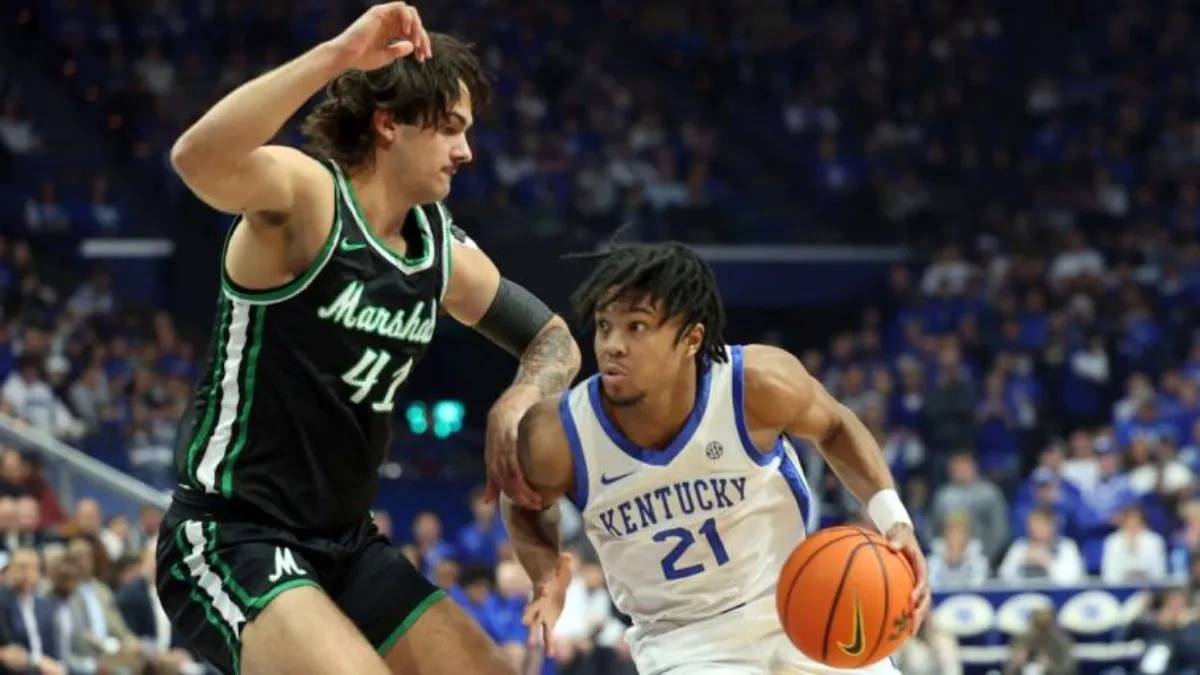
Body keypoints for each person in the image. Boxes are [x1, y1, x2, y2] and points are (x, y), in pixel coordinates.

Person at [156, 4, 581, 675]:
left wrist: (522, 394)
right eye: (450, 128)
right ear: (389, 124)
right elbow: (196, 157)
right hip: (232, 534)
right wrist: (339, 55)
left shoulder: (438, 246)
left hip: (347, 545)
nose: (466, 151)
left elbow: (554, 338)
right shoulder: (308, 198)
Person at [502, 242, 930, 674]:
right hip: (683, 643)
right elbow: (521, 500)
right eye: (604, 326)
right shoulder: (560, 433)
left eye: (637, 327)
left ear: (691, 339)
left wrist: (895, 521)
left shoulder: (756, 385)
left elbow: (835, 426)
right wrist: (543, 574)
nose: (613, 345)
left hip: (800, 603)